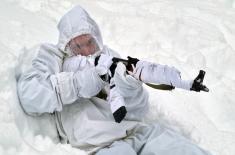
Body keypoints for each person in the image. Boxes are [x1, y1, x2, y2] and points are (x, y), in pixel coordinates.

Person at [17, 5, 211, 155]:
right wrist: (79, 83)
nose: (86, 50)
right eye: (78, 45)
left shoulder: (109, 56)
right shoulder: (52, 57)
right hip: (100, 146)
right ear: (66, 45)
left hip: (137, 133)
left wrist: (130, 87)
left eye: (90, 42)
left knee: (181, 148)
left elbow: (138, 111)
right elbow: (30, 96)